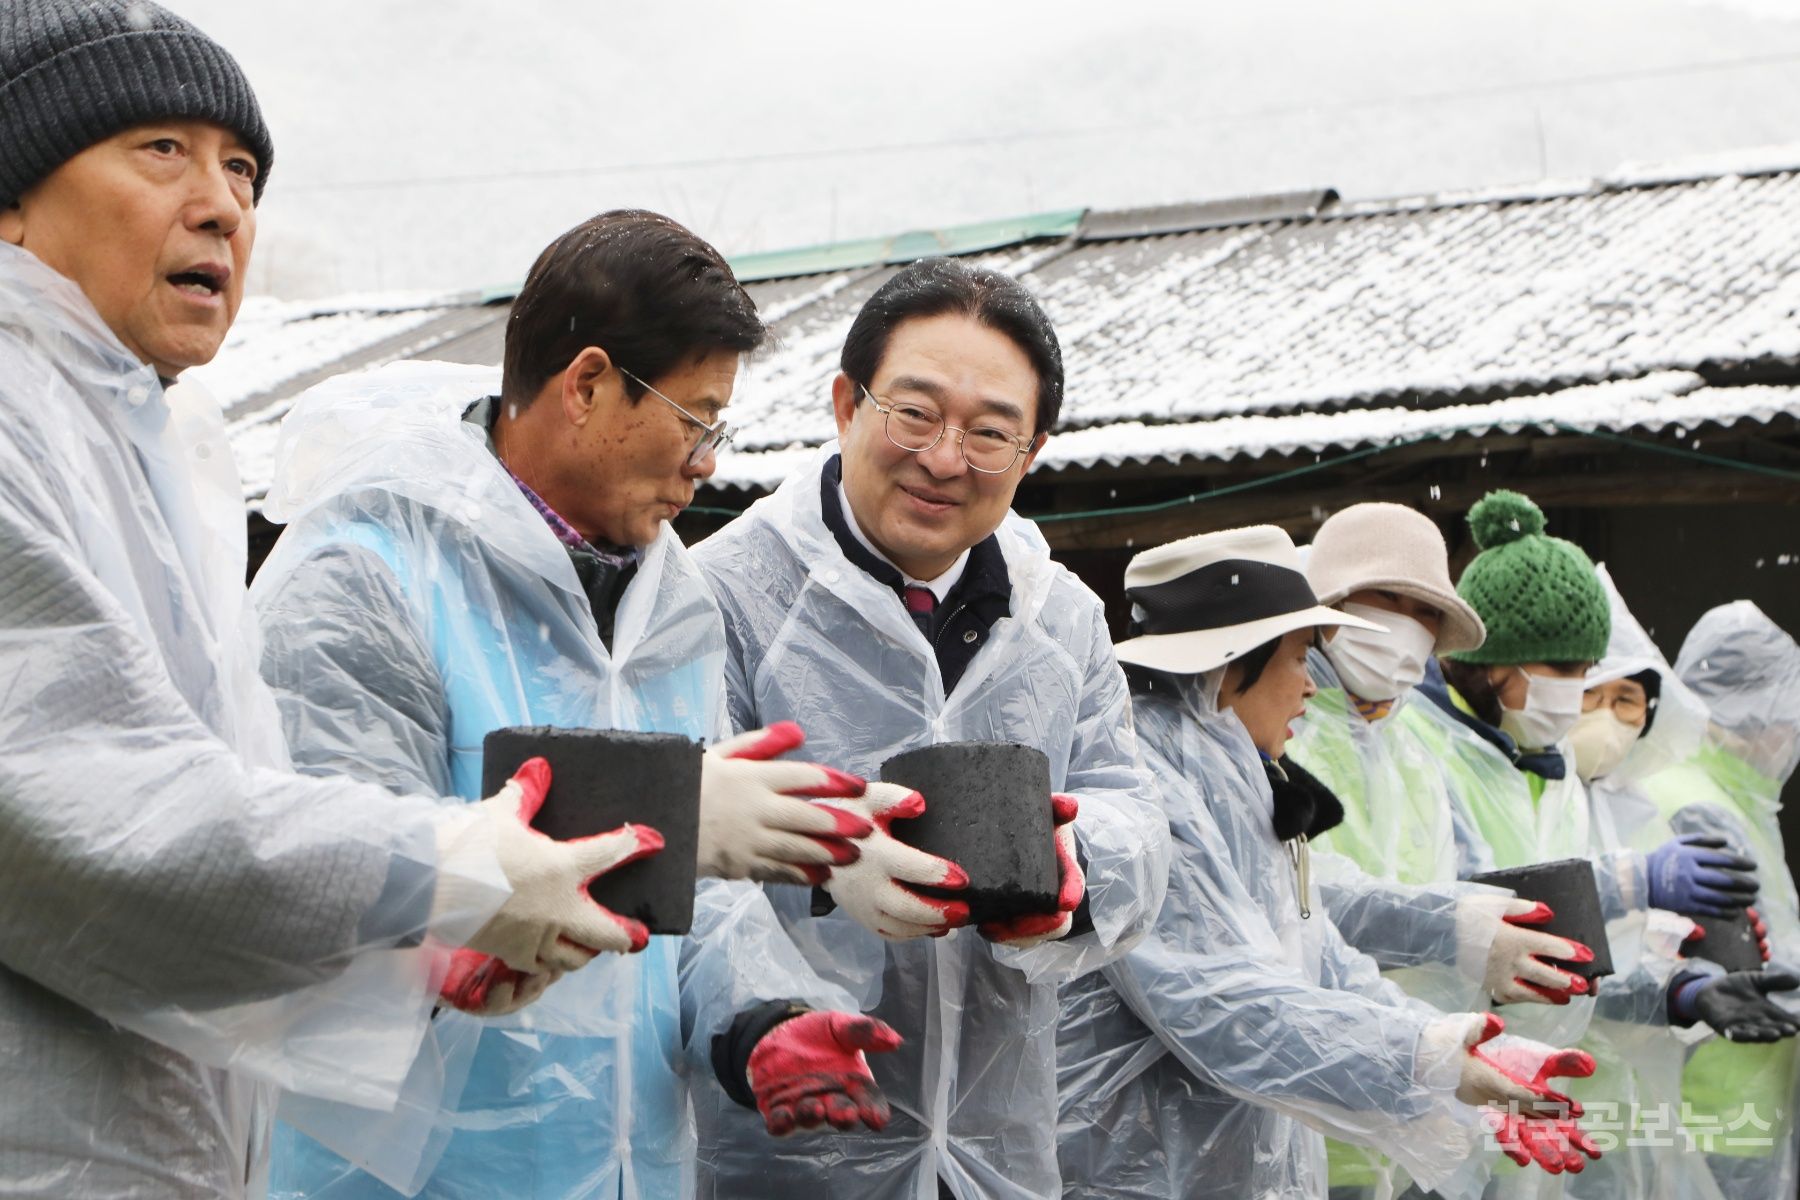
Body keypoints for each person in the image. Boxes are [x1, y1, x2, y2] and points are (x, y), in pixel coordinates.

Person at [0, 4, 652, 1195]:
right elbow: (82, 804)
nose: (223, 206)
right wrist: (447, 870)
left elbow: (226, 815)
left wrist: (410, 949)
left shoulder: (152, 441)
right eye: (162, 151)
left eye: (242, 168)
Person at [252, 211, 905, 1198]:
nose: (708, 461)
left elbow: (695, 896)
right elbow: (326, 882)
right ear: (589, 384)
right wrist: (458, 932)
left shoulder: (668, 603)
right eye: (695, 419)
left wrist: (763, 1025)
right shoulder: (364, 579)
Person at [690, 256, 1172, 1198]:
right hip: (784, 1143)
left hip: (998, 1142)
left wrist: (1075, 870)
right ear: (845, 404)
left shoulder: (1060, 616)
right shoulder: (724, 595)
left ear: (1030, 454)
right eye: (914, 413)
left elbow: (1133, 812)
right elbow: (688, 854)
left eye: (991, 433)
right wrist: (768, 1007)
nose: (946, 458)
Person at [1058, 525, 1601, 1200]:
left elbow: (1317, 952)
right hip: (1134, 1171)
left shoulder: (1233, 771)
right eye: (1297, 659)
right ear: (1234, 660)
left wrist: (1457, 1052)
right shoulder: (1148, 785)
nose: (1309, 687)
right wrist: (1424, 1055)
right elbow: (1223, 1002)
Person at [1406, 491, 1793, 1197]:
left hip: (1532, 1119)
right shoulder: (1425, 752)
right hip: (1431, 1117)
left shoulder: (1544, 771)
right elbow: (1454, 919)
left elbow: (1561, 967)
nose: (1576, 694)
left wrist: (1676, 992)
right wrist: (1625, 881)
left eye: (1592, 673)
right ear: (1493, 663)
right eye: (1563, 672)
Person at [1290, 502, 1603, 1196]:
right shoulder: (1279, 724)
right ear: (1329, 601)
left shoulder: (1411, 752)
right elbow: (1298, 901)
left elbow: (1441, 888)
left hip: (1418, 1093)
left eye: (1426, 612)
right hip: (1306, 1099)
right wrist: (1454, 928)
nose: (1407, 628)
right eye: (1388, 600)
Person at [1633, 601, 1800, 1197]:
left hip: (1744, 1095)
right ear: (1745, 716)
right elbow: (1756, 965)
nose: (1789, 738)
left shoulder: (1736, 797)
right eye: (1784, 717)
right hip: (1716, 1102)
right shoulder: (1697, 805)